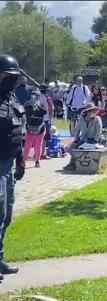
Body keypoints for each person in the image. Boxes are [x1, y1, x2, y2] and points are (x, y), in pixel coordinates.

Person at [0, 54, 25, 278]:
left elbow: (17, 133)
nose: (13, 81)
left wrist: (21, 160)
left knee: (6, 215)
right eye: (8, 76)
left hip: (8, 165)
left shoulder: (11, 99)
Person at [63, 103, 102, 171]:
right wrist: (75, 140)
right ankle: (74, 163)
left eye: (93, 111)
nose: (92, 112)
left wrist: (95, 140)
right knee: (71, 148)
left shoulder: (97, 119)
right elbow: (77, 131)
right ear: (86, 112)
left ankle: (73, 164)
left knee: (84, 148)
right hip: (84, 140)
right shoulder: (81, 120)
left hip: (94, 141)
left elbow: (98, 131)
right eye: (90, 111)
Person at [23, 92, 47, 168]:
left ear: (38, 97)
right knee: (27, 145)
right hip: (30, 128)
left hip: (40, 128)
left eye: (35, 96)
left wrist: (36, 106)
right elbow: (25, 112)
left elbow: (44, 112)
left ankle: (37, 161)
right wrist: (31, 104)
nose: (33, 97)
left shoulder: (41, 105)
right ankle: (23, 160)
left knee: (38, 145)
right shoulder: (27, 104)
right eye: (32, 96)